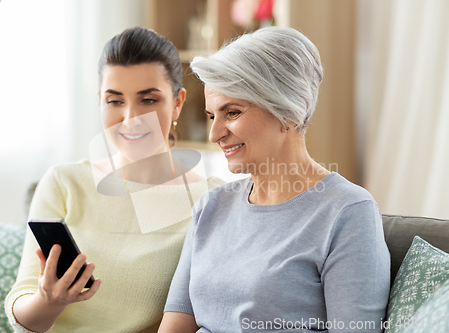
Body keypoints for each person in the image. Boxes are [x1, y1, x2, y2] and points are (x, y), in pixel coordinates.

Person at [159, 27, 390, 332]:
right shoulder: (210, 207)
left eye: (232, 113)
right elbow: (176, 326)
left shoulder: (347, 212)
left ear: (287, 113)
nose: (215, 134)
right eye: (212, 116)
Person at [5, 27, 223, 333]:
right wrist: (48, 300)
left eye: (148, 100)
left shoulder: (211, 200)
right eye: (115, 101)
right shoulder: (64, 183)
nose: (131, 118)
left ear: (177, 102)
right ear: (100, 101)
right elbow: (22, 317)